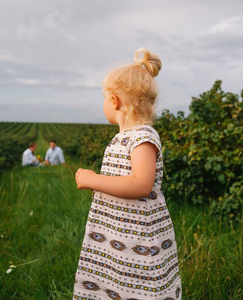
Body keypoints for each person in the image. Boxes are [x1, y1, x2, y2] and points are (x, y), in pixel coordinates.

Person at [73, 48, 182, 299]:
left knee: (140, 284)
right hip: (117, 231)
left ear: (114, 101)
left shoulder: (142, 137)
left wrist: (93, 180)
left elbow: (141, 184)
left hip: (139, 238)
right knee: (116, 278)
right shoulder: (123, 137)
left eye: (104, 97)